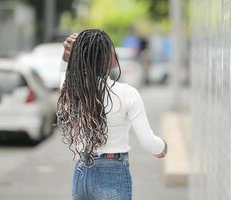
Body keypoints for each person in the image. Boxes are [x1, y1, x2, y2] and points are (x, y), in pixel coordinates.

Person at [57, 29, 167, 200]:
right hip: (112, 171)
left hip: (81, 172)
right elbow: (148, 142)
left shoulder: (74, 90)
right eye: (111, 48)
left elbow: (64, 76)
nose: (115, 51)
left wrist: (66, 56)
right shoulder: (127, 93)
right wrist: (163, 147)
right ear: (105, 58)